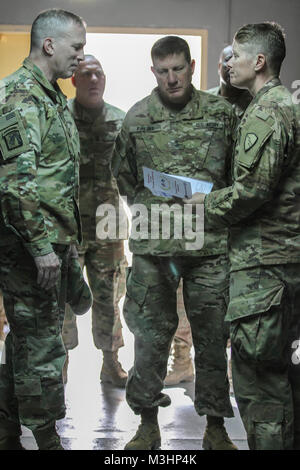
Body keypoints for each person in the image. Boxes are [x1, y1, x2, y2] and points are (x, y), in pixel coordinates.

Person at [112, 35, 237, 450]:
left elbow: (239, 179)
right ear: (154, 72)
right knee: (149, 335)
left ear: (192, 66)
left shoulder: (223, 115)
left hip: (210, 247)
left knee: (212, 337)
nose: (171, 79)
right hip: (154, 249)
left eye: (178, 69)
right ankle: (147, 423)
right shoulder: (137, 117)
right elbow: (125, 179)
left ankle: (215, 428)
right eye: (163, 71)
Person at [187, 22, 300, 450]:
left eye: (234, 54)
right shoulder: (279, 105)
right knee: (287, 385)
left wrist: (204, 206)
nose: (226, 61)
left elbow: (252, 190)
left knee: (261, 390)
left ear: (259, 61)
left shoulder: (268, 111)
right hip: (282, 265)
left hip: (264, 273)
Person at [0, 9, 87, 450]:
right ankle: (46, 438)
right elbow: (16, 185)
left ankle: (6, 431)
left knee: (25, 341)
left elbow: (57, 178)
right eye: (77, 48)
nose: (81, 57)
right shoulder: (21, 97)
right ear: (49, 45)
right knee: (40, 348)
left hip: (53, 242)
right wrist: (40, 248)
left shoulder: (51, 95)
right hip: (29, 248)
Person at [62, 55, 128, 387]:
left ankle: (111, 362)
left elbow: (134, 173)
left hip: (108, 228)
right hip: (68, 227)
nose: (93, 80)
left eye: (98, 74)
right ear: (73, 80)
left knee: (108, 298)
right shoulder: (60, 119)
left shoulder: (119, 120)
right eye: (86, 74)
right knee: (62, 299)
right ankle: (60, 363)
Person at [207, 44, 252, 118]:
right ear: (219, 67)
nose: (232, 65)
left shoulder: (254, 103)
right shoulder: (204, 99)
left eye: (238, 61)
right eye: (228, 59)